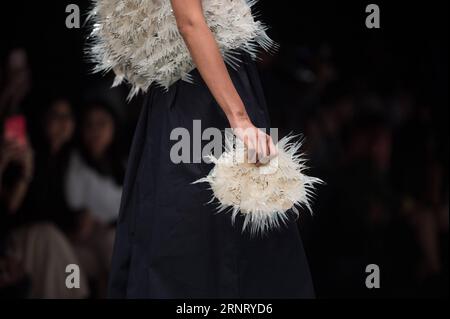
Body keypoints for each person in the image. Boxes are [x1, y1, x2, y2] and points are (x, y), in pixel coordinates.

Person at [106, 0, 315, 298]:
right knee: (190, 243)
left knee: (242, 236)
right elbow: (190, 22)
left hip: (224, 83)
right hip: (197, 94)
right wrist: (239, 118)